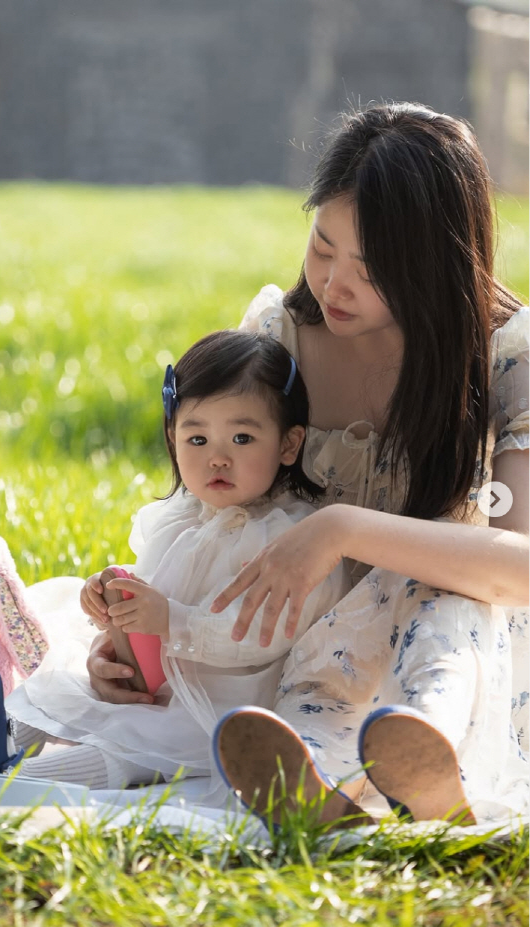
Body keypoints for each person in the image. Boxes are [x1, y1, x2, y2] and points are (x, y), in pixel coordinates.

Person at [86, 102, 529, 826]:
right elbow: (212, 509)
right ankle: (315, 785)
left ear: (435, 264)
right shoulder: (279, 339)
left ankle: (428, 761)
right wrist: (135, 642)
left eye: (370, 269)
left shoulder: (505, 355)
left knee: (443, 604)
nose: (334, 286)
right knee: (312, 685)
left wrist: (341, 531)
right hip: (297, 645)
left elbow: (520, 568)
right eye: (322, 245)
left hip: (457, 640)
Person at [0, 329, 349, 794]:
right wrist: (111, 615)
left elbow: (267, 632)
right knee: (67, 690)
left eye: (241, 439)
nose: (217, 459)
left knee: (127, 752)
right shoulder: (181, 517)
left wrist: (173, 621)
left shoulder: (291, 538)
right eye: (197, 440)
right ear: (173, 436)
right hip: (150, 681)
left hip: (212, 705)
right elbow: (155, 588)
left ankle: (4, 778)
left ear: (288, 443)